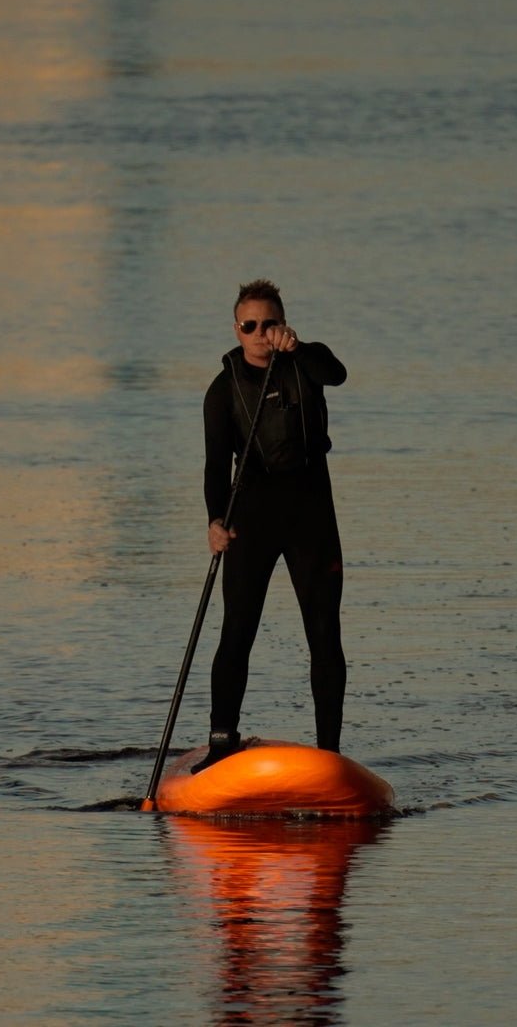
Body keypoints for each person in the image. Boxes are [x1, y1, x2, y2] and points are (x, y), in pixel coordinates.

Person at [193, 278, 348, 774]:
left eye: (270, 323)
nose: (261, 333)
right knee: (237, 630)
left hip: (311, 515)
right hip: (251, 519)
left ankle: (330, 756)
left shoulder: (307, 364)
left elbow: (338, 373)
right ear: (236, 330)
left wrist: (298, 347)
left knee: (324, 633)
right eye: (250, 325)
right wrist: (215, 520)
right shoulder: (222, 390)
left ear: (284, 324)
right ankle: (221, 743)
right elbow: (215, 466)